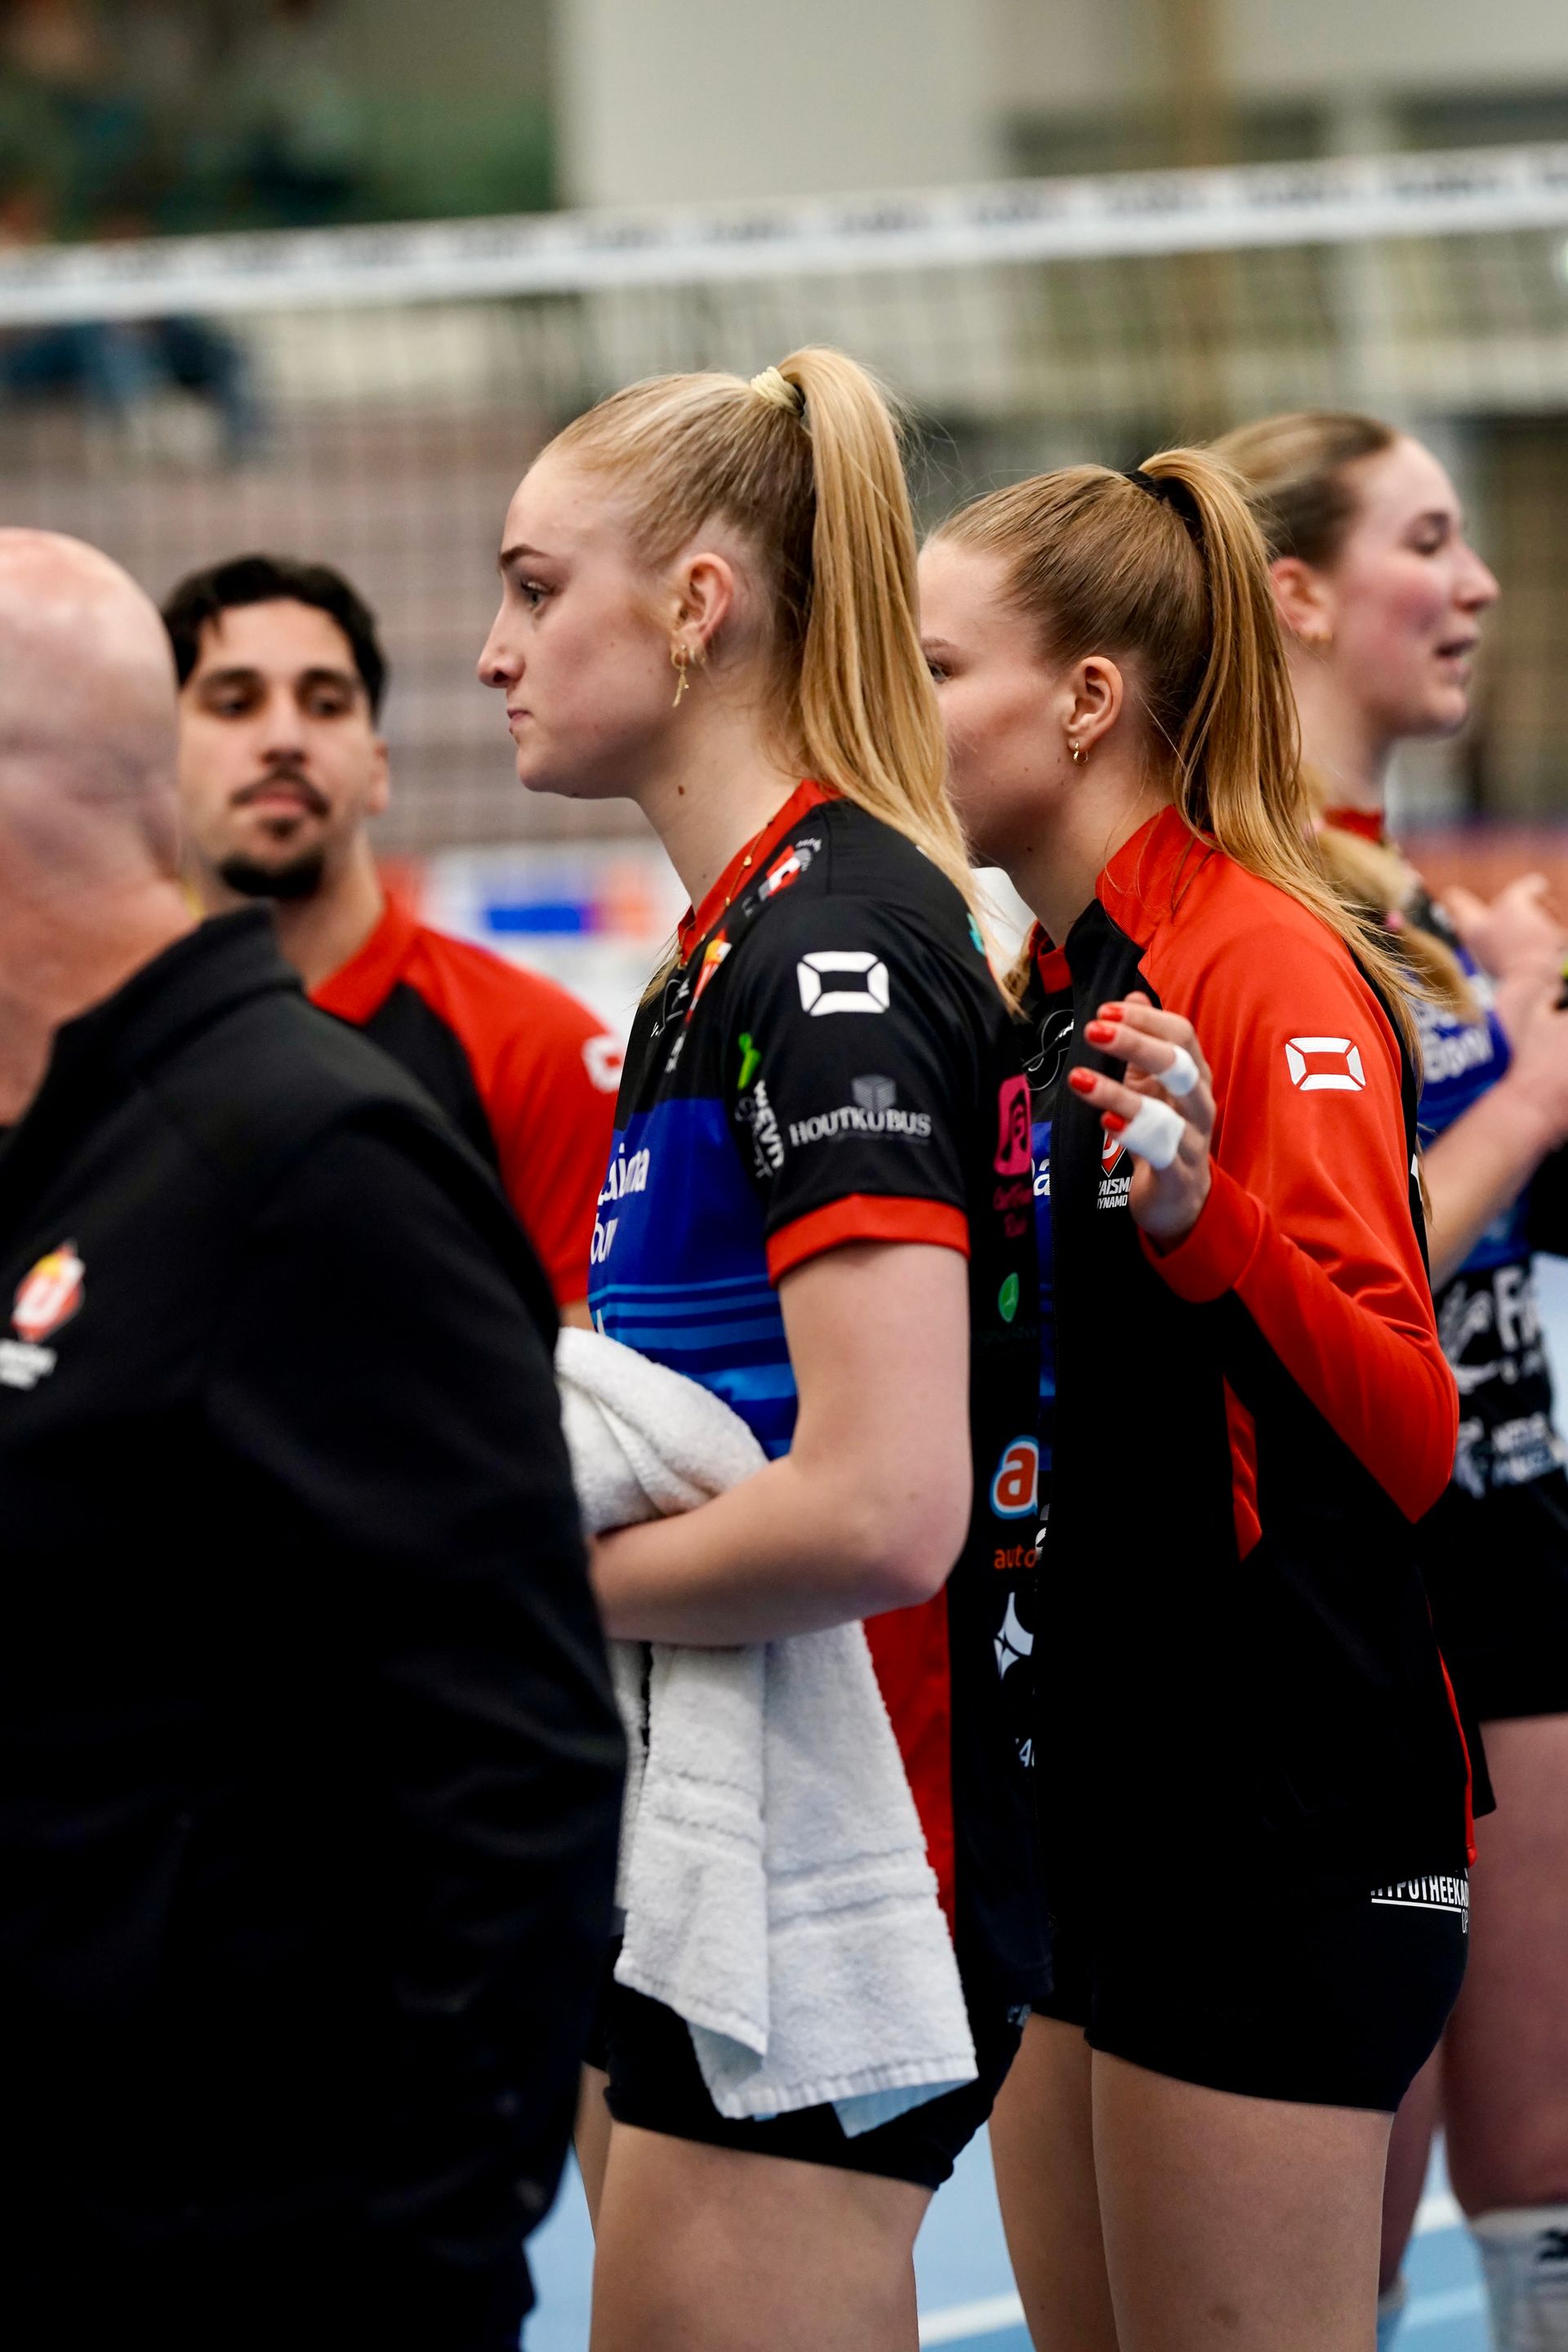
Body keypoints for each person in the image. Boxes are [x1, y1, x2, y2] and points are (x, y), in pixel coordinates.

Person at [478, 347, 1046, 2352]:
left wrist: (514, 1585)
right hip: (733, 1813)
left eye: (538, 589)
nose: (493, 649)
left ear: (698, 605)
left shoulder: (832, 944)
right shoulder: (726, 944)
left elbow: (886, 1503)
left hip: (849, 1840)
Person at [0, 527, 624, 2349]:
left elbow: (512, 1765)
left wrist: (412, 2272)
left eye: (320, 700)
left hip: (249, 2255)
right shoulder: (75, 1161)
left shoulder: (300, 1160)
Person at [918, 450, 1469, 2352]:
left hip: (1273, 1823)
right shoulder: (1043, 990)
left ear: (1082, 701)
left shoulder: (1255, 961)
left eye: (931, 667)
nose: (894, 718)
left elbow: (1412, 1429)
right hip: (1093, 1808)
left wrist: (1201, 1212)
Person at [1218, 408, 1568, 2352]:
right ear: (1294, 592)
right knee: (1327, 2188)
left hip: (1510, 1536)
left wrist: (1527, 1025)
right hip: (1349, 1585)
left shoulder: (1423, 912)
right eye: (1427, 540)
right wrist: (1521, 1101)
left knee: (1540, 2148)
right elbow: (1318, 1271)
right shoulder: (1250, 915)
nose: (1479, 583)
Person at [167, 553, 621, 1323]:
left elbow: (608, 1403)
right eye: (234, 703)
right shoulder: (88, 1048)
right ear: (160, 766)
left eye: (324, 702)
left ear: (378, 769)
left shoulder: (536, 1050)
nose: (283, 738)